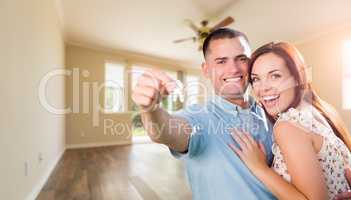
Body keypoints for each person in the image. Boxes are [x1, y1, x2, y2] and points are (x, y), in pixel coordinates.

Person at [132, 28, 276, 200]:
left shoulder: (269, 112)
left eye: (241, 59)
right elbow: (167, 131)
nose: (234, 69)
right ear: (206, 70)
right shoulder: (198, 116)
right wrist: (151, 109)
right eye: (221, 61)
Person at [228, 42, 351, 200]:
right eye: (256, 79)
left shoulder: (288, 126)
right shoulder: (320, 111)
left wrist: (259, 168)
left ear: (298, 78)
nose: (262, 88)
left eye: (275, 76)